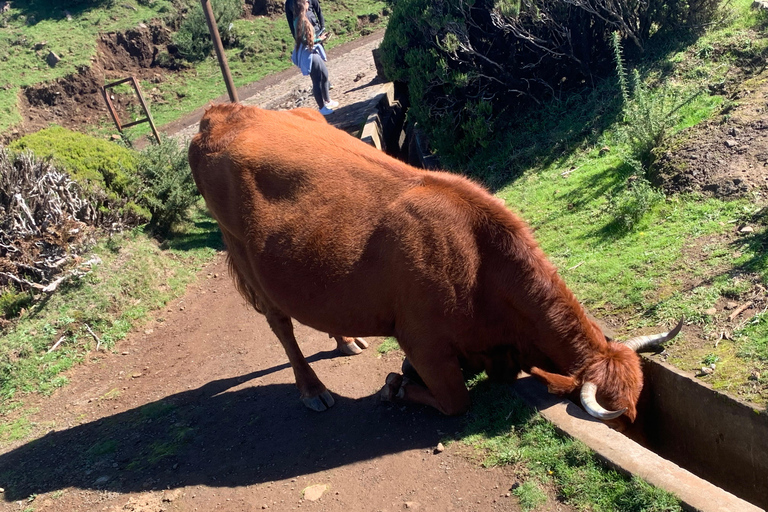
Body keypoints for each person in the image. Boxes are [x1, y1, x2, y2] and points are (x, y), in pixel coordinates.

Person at [287, 0, 338, 115]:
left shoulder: (303, 19)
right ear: (302, 6)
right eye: (306, 2)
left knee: (324, 74)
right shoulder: (300, 21)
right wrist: (319, 39)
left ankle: (327, 100)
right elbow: (305, 41)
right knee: (316, 80)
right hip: (309, 53)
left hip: (313, 50)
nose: (308, 3)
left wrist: (318, 38)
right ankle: (322, 108)